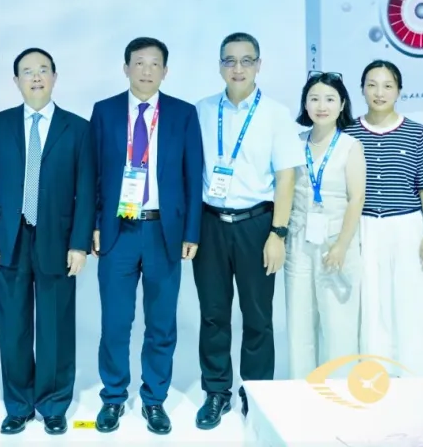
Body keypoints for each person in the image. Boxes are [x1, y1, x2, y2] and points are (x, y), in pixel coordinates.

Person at [0, 48, 96, 436]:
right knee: (13, 327)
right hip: (7, 238)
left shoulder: (78, 128)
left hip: (57, 239)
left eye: (43, 70)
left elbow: (86, 191)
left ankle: (54, 404)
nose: (36, 77)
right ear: (16, 81)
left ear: (55, 77)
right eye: (28, 71)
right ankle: (18, 405)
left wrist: (79, 244)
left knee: (55, 325)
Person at [91, 37, 202, 436]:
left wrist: (191, 231)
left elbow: (193, 176)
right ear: (126, 68)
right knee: (115, 322)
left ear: (165, 71)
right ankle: (113, 397)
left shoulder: (183, 114)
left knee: (161, 324)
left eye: (155, 64)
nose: (146, 70)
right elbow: (92, 175)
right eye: (139, 63)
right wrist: (94, 225)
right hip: (118, 230)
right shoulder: (104, 112)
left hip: (163, 231)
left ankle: (154, 399)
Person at [192, 33, 302, 429]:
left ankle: (256, 393)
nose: (237, 68)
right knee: (213, 314)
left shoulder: (276, 113)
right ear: (220, 65)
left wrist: (278, 233)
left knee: (257, 316)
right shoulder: (202, 111)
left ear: (259, 65)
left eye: (246, 60)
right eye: (230, 60)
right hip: (209, 224)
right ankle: (216, 391)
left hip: (256, 224)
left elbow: (286, 178)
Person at [343, 60, 423, 375]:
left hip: (406, 227)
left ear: (399, 91)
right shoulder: (348, 132)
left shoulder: (416, 133)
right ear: (362, 89)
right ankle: (374, 370)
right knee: (370, 300)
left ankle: (414, 369)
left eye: (387, 85)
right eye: (372, 85)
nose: (379, 92)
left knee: (409, 298)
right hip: (363, 227)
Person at [285, 71, 364, 379]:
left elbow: (356, 199)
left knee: (338, 321)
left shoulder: (350, 145)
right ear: (305, 104)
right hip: (299, 240)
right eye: (314, 98)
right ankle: (302, 389)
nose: (322, 106)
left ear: (342, 104)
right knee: (299, 320)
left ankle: (339, 390)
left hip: (336, 241)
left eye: (330, 99)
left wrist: (342, 246)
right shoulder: (294, 143)